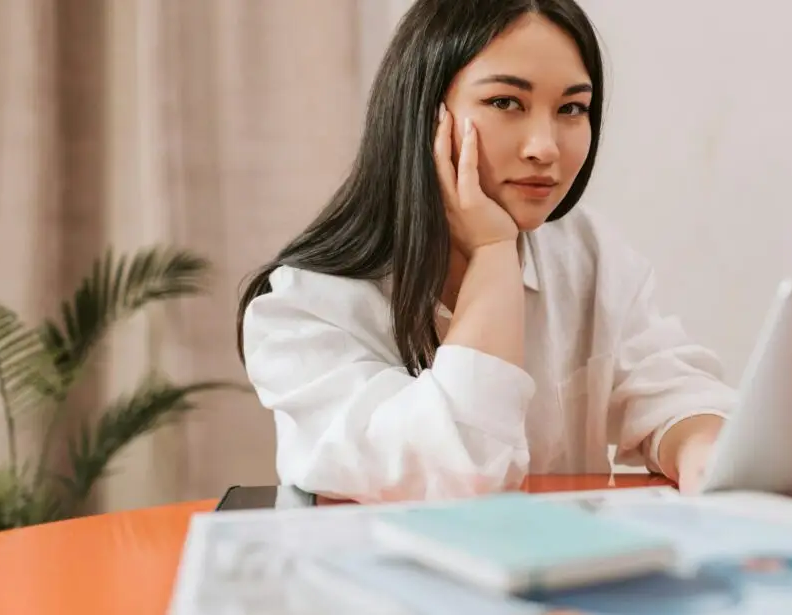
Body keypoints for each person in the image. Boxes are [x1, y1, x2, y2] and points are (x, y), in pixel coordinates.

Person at [235, 0, 736, 504]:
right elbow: (461, 475)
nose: (545, 147)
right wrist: (493, 254)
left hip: (562, 577)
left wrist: (700, 447)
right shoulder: (304, 311)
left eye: (571, 108)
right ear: (424, 114)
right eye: (505, 102)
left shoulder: (585, 253)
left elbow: (672, 389)